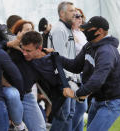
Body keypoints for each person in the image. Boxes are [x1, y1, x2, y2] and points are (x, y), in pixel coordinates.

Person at [63, 16, 120, 131]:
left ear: (100, 31)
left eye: (88, 29)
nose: (85, 32)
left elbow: (97, 79)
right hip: (97, 100)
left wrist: (76, 93)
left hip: (111, 103)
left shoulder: (107, 51)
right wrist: (56, 58)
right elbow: (75, 66)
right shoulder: (89, 46)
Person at [47, 1, 80, 131]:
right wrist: (66, 83)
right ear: (62, 13)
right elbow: (59, 59)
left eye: (75, 10)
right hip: (62, 80)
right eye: (71, 11)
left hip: (71, 79)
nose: (75, 13)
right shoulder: (59, 29)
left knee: (70, 114)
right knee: (62, 116)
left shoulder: (67, 28)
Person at [71, 8, 88, 131]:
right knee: (81, 107)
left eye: (80, 15)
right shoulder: (68, 33)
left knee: (80, 112)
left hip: (85, 73)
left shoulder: (82, 33)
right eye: (76, 16)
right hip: (75, 75)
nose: (79, 18)